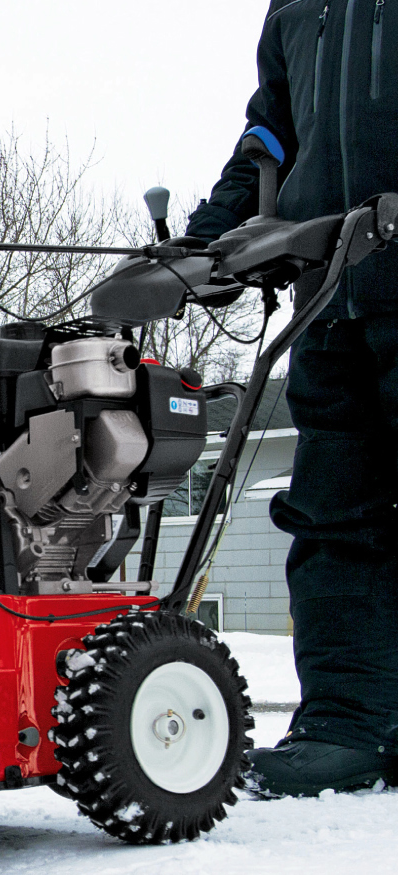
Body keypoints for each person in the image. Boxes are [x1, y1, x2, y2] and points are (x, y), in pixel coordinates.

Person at [185, 0, 398, 797]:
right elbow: (269, 132)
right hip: (328, 292)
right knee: (332, 518)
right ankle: (348, 725)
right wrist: (207, 234)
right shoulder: (295, 6)